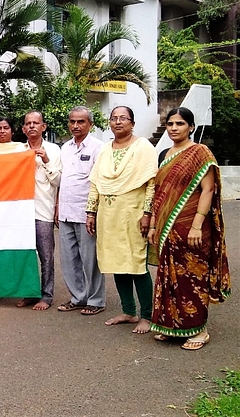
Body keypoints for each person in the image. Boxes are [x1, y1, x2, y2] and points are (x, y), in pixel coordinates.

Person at [148, 107, 230, 350]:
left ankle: (199, 330)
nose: (174, 128)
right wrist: (153, 224)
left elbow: (208, 189)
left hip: (192, 226)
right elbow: (159, 194)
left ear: (191, 127)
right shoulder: (164, 154)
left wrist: (196, 225)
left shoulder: (200, 152)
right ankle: (172, 326)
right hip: (166, 227)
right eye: (170, 124)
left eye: (180, 123)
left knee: (192, 277)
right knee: (168, 276)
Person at [86, 106, 157, 334]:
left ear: (132, 123)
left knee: (136, 264)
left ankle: (147, 315)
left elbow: (151, 183)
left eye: (123, 118)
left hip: (133, 214)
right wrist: (91, 212)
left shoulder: (143, 146)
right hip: (108, 216)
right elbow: (96, 183)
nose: (118, 122)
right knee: (116, 262)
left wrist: (147, 214)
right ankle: (128, 311)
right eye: (114, 118)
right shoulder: (105, 150)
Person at [56, 106, 105, 315]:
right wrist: (57, 207)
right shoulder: (64, 147)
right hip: (66, 211)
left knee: (90, 259)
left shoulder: (98, 148)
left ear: (90, 124)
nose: (75, 126)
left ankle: (96, 300)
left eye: (81, 122)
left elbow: (99, 182)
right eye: (72, 121)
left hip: (86, 214)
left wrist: (92, 212)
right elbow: (62, 181)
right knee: (69, 259)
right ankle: (78, 297)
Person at [16, 111, 62, 311]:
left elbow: (59, 181)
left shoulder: (53, 150)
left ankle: (47, 295)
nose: (32, 126)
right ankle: (29, 292)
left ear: (43, 127)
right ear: (24, 129)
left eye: (36, 123)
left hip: (43, 211)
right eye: (28, 123)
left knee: (46, 257)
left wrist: (46, 161)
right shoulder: (17, 150)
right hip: (21, 213)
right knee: (25, 256)